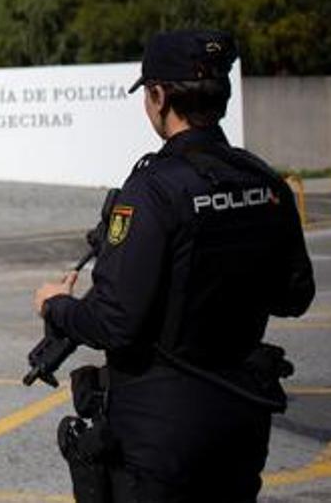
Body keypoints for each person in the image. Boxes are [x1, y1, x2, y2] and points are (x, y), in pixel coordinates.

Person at [32, 29, 314, 502]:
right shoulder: (265, 182)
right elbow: (294, 297)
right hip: (241, 419)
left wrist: (56, 306)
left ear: (159, 96)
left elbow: (113, 322)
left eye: (148, 93)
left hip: (161, 432)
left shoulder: (153, 190)